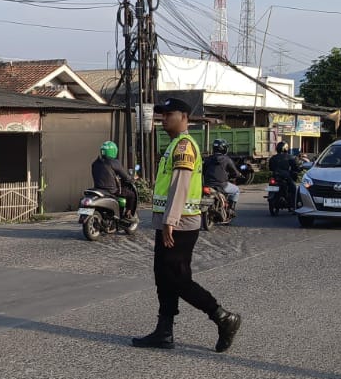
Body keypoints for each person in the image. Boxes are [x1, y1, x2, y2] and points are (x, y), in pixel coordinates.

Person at [132, 97, 241, 353]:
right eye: (162, 115)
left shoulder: (184, 146)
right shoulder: (173, 145)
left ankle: (223, 317)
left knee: (178, 278)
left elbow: (180, 186)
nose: (163, 119)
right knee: (163, 276)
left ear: (184, 117)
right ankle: (164, 331)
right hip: (170, 221)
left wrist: (170, 220)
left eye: (168, 114)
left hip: (180, 223)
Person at [91, 140, 137, 219]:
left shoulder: (95, 163)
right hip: (111, 190)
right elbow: (125, 177)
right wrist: (132, 179)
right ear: (114, 151)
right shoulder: (114, 163)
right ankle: (128, 213)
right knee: (131, 195)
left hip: (98, 189)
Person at [202, 139, 245, 214]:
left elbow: (203, 171)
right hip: (222, 185)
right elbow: (235, 172)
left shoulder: (207, 159)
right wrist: (239, 175)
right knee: (236, 190)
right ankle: (231, 209)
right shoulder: (226, 159)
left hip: (208, 185)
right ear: (224, 149)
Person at [267, 141, 299, 209]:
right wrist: (297, 170)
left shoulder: (273, 158)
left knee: (271, 184)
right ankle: (294, 206)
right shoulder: (290, 157)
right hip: (286, 177)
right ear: (285, 148)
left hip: (275, 176)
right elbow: (295, 167)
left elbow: (270, 168)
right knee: (294, 189)